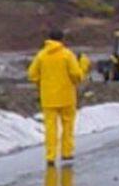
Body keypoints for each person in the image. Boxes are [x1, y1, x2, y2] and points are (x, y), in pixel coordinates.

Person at [27, 29, 90, 166]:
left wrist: (41, 83)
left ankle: (50, 156)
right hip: (66, 97)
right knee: (67, 125)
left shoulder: (41, 55)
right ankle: (66, 153)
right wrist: (83, 65)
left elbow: (32, 74)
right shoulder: (67, 55)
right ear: (62, 39)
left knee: (50, 128)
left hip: (48, 98)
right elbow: (76, 75)